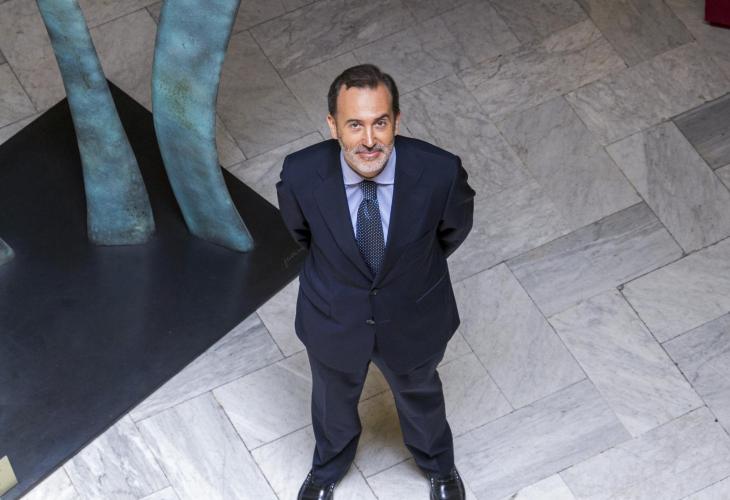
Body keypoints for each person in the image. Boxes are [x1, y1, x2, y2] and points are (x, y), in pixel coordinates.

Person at [276, 63, 475, 500]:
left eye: (379, 123)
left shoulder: (440, 172)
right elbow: (301, 234)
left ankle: (439, 466)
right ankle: (328, 467)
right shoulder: (299, 174)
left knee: (420, 394)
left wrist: (407, 273)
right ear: (333, 126)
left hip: (413, 316)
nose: (369, 140)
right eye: (355, 125)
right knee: (331, 400)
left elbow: (453, 231)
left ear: (396, 121)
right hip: (334, 316)